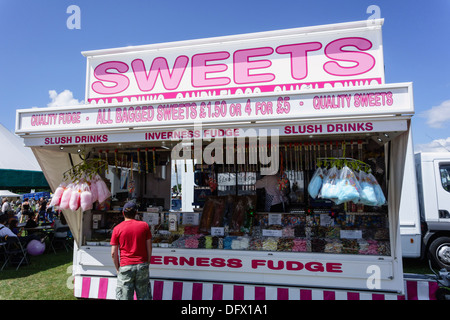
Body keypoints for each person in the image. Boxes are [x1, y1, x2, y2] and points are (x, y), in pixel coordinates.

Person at [110, 201, 152, 300]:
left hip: (125, 266)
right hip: (142, 264)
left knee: (125, 297)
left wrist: (117, 268)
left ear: (123, 213)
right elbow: (149, 247)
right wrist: (147, 262)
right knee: (144, 296)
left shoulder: (117, 229)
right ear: (136, 213)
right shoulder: (144, 226)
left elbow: (113, 253)